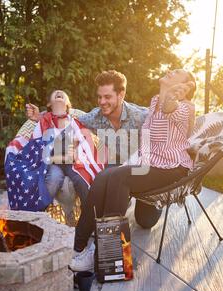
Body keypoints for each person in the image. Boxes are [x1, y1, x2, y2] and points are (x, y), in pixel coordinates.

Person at [69, 69, 196, 271]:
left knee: (121, 180)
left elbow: (172, 108)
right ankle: (78, 245)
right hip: (149, 164)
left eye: (178, 72)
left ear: (186, 85)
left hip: (172, 168)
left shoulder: (185, 107)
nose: (171, 71)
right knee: (103, 176)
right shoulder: (154, 103)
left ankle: (109, 256)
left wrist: (175, 95)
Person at [26, 70, 162, 227]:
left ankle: (146, 199)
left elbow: (166, 131)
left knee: (145, 222)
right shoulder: (95, 116)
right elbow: (69, 121)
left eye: (107, 97)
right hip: (115, 168)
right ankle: (116, 205)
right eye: (99, 97)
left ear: (121, 94)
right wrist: (41, 117)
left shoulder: (141, 117)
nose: (102, 102)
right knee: (107, 209)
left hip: (143, 170)